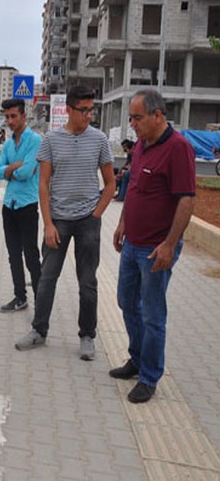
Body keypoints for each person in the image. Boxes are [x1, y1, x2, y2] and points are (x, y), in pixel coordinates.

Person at [15, 85, 115, 360]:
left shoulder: (100, 140)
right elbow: (44, 183)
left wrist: (96, 215)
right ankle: (39, 330)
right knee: (47, 278)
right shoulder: (51, 140)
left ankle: (86, 336)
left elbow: (110, 185)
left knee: (87, 283)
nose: (88, 116)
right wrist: (48, 224)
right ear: (69, 110)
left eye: (91, 110)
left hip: (87, 221)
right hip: (57, 219)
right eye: (83, 110)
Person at [111, 90, 195, 404]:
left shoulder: (178, 149)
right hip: (132, 242)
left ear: (157, 115)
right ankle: (137, 358)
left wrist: (169, 245)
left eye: (137, 118)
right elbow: (133, 188)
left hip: (156, 249)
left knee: (152, 314)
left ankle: (149, 377)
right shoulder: (142, 146)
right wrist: (121, 223)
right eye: (131, 117)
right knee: (125, 301)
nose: (132, 124)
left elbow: (186, 200)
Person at [0, 98, 42, 313]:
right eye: (7, 117)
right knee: (13, 254)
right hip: (9, 205)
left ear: (24, 115)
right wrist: (13, 167)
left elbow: (27, 172)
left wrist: (10, 169)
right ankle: (20, 297)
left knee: (31, 255)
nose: (10, 120)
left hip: (27, 206)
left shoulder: (35, 141)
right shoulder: (7, 143)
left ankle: (41, 300)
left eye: (13, 116)